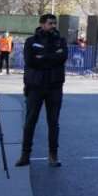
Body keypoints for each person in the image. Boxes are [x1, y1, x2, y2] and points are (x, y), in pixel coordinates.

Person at [15, 14, 67, 168]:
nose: (53, 26)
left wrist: (42, 57)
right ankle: (25, 155)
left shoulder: (60, 41)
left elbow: (62, 58)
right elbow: (30, 61)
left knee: (53, 123)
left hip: (54, 87)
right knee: (30, 122)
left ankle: (53, 156)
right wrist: (51, 58)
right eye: (50, 23)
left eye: (54, 23)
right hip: (35, 86)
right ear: (42, 24)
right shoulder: (31, 41)